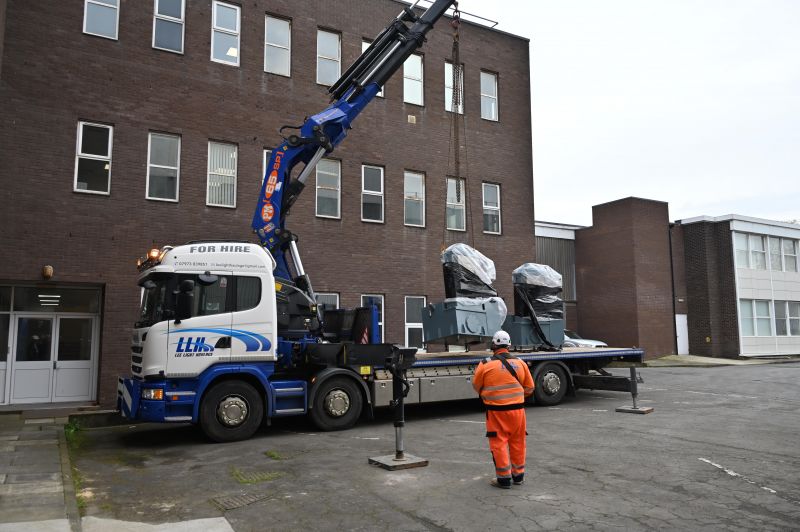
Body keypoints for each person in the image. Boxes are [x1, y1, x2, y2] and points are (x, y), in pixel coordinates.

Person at [472, 330, 535, 489]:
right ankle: (518, 476)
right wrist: (516, 398)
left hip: (496, 413)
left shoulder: (485, 364)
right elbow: (529, 387)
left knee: (499, 443)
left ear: (493, 345)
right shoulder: (520, 363)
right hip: (518, 412)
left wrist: (490, 396)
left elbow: (476, 386)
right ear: (509, 345)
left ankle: (504, 479)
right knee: (518, 442)